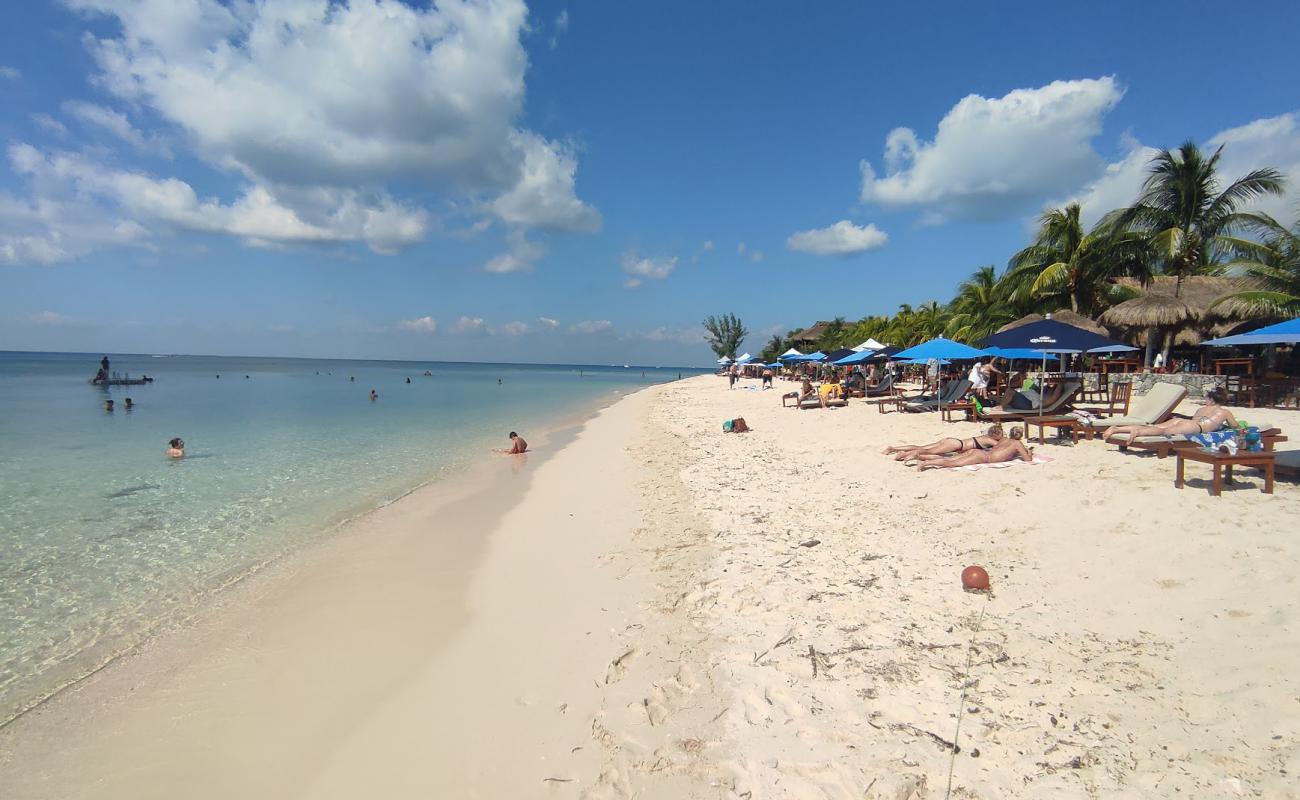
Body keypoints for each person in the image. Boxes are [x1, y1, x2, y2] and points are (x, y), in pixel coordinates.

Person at [1103, 387, 1238, 442]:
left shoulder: (1201, 409)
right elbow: (1235, 427)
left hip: (1182, 420)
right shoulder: (1224, 412)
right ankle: (1137, 432)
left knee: (1156, 426)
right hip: (1196, 426)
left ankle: (1117, 428)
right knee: (1165, 431)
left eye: (1207, 398)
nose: (1205, 400)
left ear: (1212, 399)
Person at [916, 427, 1034, 471]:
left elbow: (1000, 449)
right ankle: (926, 463)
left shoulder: (1003, 440)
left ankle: (922, 457)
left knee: (953, 458)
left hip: (978, 452)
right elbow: (1027, 459)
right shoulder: (1018, 444)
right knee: (953, 463)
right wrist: (1028, 452)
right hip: (983, 457)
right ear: (1020, 436)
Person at [883, 424, 1005, 461]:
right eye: (1001, 434)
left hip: (952, 441)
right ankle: (903, 455)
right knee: (927, 451)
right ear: (996, 434)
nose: (1002, 436)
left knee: (922, 447)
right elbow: (1001, 447)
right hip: (956, 445)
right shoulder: (989, 439)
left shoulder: (984, 435)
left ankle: (893, 448)